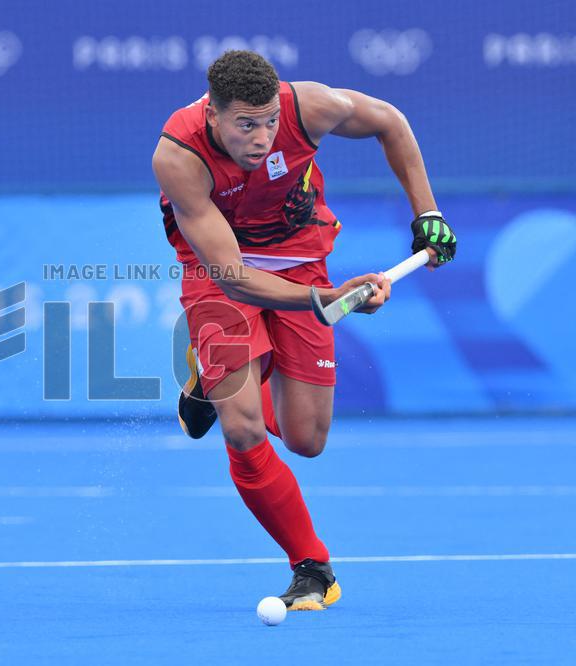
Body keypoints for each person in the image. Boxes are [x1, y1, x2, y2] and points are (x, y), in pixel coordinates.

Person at [152, 50, 455, 611]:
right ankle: (312, 566)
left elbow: (390, 121)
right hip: (221, 274)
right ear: (213, 115)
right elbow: (234, 278)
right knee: (242, 431)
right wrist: (326, 301)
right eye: (246, 124)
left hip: (301, 258)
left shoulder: (308, 106)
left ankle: (211, 384)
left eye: (269, 120)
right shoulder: (179, 156)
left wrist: (426, 213)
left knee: (305, 440)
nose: (263, 136)